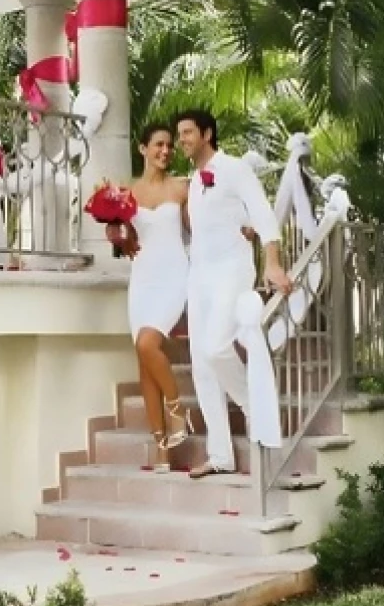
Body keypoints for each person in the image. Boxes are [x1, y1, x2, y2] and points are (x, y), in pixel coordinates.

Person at [175, 109, 290, 479]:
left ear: (207, 133)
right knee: (202, 367)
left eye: (188, 132)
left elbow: (261, 213)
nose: (182, 140)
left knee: (217, 346)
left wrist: (272, 262)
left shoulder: (235, 167)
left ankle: (257, 411)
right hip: (200, 275)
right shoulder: (193, 181)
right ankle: (220, 455)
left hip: (232, 269)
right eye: (180, 134)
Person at [106, 124, 192, 465]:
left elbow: (196, 228)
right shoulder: (126, 193)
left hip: (174, 275)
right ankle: (162, 448)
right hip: (142, 278)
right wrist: (117, 235)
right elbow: (121, 236)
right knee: (144, 362)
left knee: (147, 343)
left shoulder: (182, 188)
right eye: (159, 145)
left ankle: (178, 411)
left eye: (170, 146)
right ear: (143, 149)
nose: (166, 151)